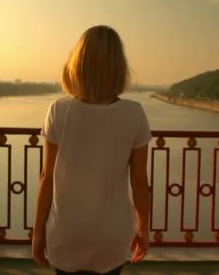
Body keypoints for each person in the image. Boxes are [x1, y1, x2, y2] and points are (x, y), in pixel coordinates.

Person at [32, 25, 152, 274]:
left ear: (77, 64)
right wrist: (143, 228)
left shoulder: (58, 110)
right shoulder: (134, 114)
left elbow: (47, 177)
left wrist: (38, 231)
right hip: (111, 237)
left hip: (66, 233)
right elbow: (140, 181)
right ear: (119, 67)